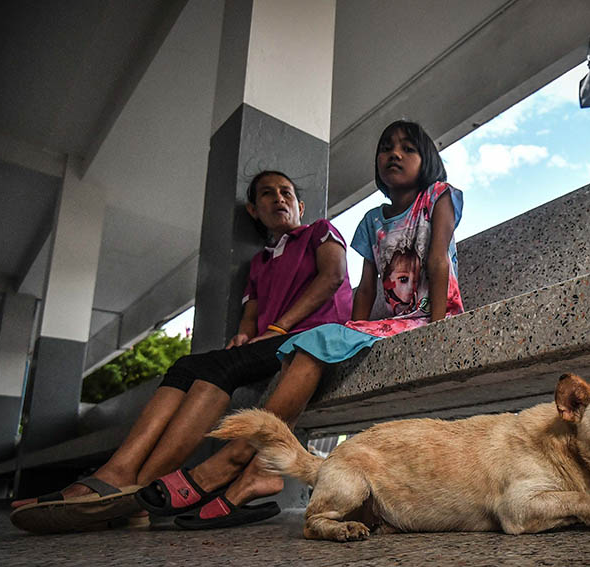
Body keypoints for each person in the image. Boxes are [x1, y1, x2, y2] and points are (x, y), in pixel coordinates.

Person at [152, 120, 464, 529]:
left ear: (427, 160)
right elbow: (366, 289)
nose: (395, 154)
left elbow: (438, 260)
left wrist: (439, 329)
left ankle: (239, 456)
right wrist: (353, 332)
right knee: (298, 348)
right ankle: (260, 471)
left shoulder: (438, 196)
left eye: (408, 148)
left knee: (315, 341)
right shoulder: (371, 220)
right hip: (392, 323)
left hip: (433, 317)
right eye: (386, 148)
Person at [10, 171, 353, 534]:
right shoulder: (259, 263)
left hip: (307, 339)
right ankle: (123, 474)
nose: (279, 199)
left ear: (300, 206)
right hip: (269, 342)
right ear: (253, 210)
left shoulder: (320, 231)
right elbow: (251, 312)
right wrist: (244, 333)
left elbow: (332, 276)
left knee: (219, 368)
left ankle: (135, 487)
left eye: (286, 193)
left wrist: (278, 328)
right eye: (267, 194)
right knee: (186, 367)